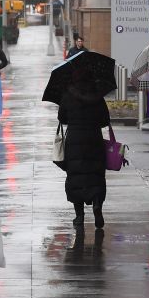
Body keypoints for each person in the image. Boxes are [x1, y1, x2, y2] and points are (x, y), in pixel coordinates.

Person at [57, 69, 110, 229]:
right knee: (95, 175)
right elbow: (104, 120)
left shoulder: (67, 95)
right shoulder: (98, 97)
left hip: (74, 141)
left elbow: (62, 118)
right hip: (94, 139)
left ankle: (79, 216)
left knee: (76, 176)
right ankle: (96, 205)